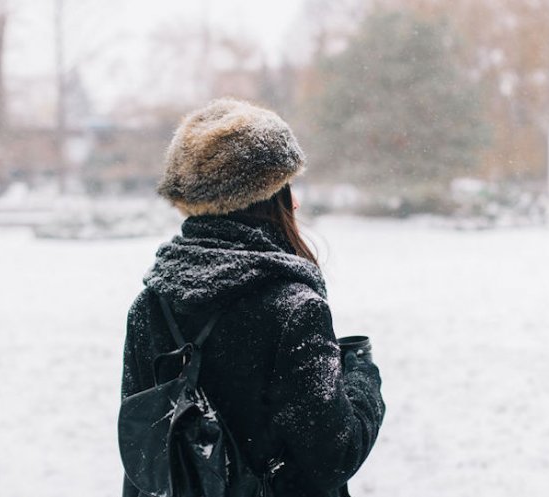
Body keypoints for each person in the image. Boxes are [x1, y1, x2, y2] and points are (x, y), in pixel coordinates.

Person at [120, 98, 386, 497]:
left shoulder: (149, 307)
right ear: (265, 199)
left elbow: (143, 462)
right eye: (286, 188)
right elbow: (333, 457)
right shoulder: (294, 309)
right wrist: (363, 376)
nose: (295, 202)